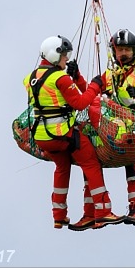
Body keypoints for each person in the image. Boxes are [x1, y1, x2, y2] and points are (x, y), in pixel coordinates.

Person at [24, 34, 124, 231]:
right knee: (90, 162)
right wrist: (96, 84)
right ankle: (103, 212)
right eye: (64, 56)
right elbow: (79, 103)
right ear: (54, 55)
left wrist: (75, 78)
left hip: (42, 137)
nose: (66, 59)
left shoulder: (31, 78)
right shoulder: (59, 77)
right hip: (61, 134)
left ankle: (59, 216)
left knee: (62, 168)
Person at [67, 28, 135, 226]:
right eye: (120, 50)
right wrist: (77, 78)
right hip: (110, 126)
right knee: (88, 155)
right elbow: (90, 92)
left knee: (131, 159)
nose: (123, 53)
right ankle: (91, 212)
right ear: (113, 51)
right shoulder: (110, 73)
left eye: (127, 49)